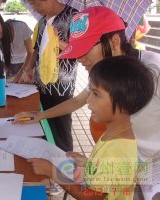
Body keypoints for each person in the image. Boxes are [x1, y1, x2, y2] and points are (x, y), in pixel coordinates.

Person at [14, 6, 160, 162]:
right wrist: (39, 116)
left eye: (85, 49)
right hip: (123, 160)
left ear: (114, 42)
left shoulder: (154, 68)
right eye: (77, 50)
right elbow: (78, 101)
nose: (79, 58)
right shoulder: (103, 71)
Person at [28, 55, 155, 200]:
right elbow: (106, 171)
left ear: (124, 104)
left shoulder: (118, 151)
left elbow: (92, 197)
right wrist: (89, 164)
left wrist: (53, 172)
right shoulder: (115, 135)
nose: (88, 101)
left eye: (96, 94)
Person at [17, 0, 78, 152]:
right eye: (31, 5)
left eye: (36, 3)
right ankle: (49, 159)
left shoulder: (75, 17)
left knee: (61, 129)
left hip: (61, 87)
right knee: (43, 125)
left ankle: (65, 165)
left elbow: (79, 51)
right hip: (41, 84)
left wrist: (57, 42)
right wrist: (28, 70)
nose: (35, 8)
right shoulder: (43, 21)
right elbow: (36, 50)